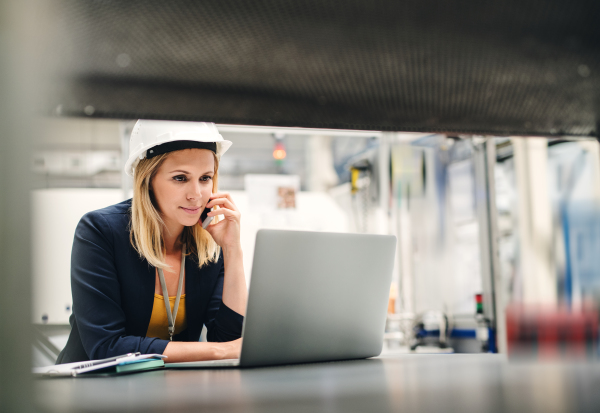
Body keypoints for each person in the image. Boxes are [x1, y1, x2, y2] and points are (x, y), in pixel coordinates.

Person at [57, 120, 247, 364]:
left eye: (205, 178)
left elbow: (228, 338)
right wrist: (220, 351)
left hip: (166, 391)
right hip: (91, 390)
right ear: (148, 179)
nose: (196, 194)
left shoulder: (208, 243)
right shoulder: (100, 231)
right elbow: (107, 347)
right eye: (180, 178)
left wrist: (232, 249)